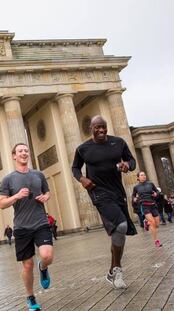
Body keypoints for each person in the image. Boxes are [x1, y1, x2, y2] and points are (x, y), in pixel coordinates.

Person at [72, 115, 137, 290]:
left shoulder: (119, 143)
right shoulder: (83, 149)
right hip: (99, 193)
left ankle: (111, 271)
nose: (101, 130)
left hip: (117, 192)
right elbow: (75, 168)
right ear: (91, 128)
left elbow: (132, 161)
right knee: (121, 226)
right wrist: (82, 179)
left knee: (119, 232)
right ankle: (117, 270)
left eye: (104, 127)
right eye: (97, 127)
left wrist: (127, 166)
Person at [0, 142, 53, 311]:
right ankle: (31, 298)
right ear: (14, 156)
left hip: (41, 222)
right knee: (27, 265)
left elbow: (47, 192)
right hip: (22, 227)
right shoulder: (8, 179)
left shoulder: (38, 174)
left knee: (47, 255)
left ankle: (43, 268)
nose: (24, 153)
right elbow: (1, 204)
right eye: (20, 151)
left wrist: (46, 197)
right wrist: (16, 196)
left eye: (26, 150)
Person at [132, 171, 162, 247]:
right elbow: (133, 195)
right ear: (138, 178)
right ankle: (156, 241)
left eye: (144, 175)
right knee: (152, 222)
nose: (144, 176)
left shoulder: (150, 184)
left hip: (153, 205)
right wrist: (134, 199)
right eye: (141, 175)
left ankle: (146, 222)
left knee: (157, 224)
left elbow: (157, 192)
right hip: (144, 206)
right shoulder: (136, 187)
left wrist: (156, 194)